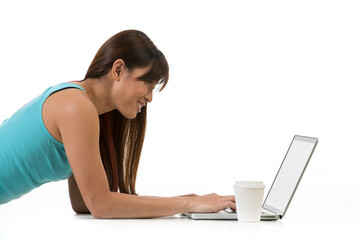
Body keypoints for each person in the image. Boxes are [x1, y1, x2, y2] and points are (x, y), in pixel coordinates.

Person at [0, 30, 236, 218]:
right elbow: (101, 206)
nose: (150, 97)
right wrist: (189, 204)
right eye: (148, 84)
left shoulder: (89, 110)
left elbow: (84, 203)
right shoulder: (76, 107)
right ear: (118, 69)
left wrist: (183, 202)